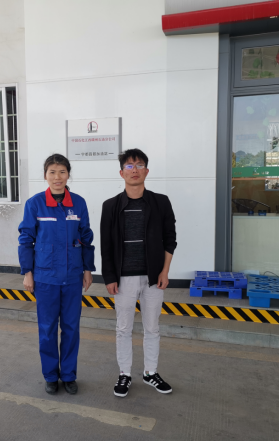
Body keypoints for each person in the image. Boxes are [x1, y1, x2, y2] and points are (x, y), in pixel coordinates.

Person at [100, 148, 177, 398]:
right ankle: (124, 374)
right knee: (123, 328)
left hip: (153, 277)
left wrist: (165, 271)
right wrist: (110, 277)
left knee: (152, 328)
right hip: (123, 278)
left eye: (139, 165)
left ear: (147, 171)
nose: (135, 170)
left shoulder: (160, 202)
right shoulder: (110, 206)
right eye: (130, 166)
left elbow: (170, 239)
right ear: (121, 172)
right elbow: (106, 246)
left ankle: (150, 372)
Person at [18, 154, 95, 395]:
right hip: (45, 278)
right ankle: (51, 376)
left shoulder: (78, 203)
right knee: (48, 329)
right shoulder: (35, 204)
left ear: (68, 174)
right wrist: (27, 272)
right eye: (52, 172)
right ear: (45, 175)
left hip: (72, 277)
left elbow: (86, 238)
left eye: (62, 171)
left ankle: (69, 375)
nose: (57, 177)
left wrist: (88, 269)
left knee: (71, 328)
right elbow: (26, 239)